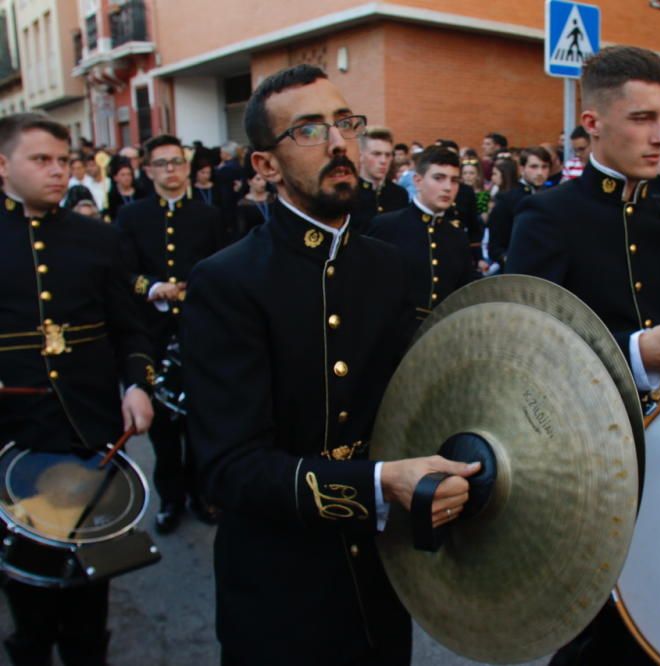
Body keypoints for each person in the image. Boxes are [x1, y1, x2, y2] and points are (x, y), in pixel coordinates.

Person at [182, 64, 479, 666]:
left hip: (381, 581)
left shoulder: (385, 265)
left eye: (345, 122)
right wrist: (374, 484)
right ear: (265, 165)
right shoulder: (226, 282)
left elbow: (415, 394)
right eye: (310, 130)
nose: (341, 142)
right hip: (279, 601)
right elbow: (229, 469)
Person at [506, 47, 660, 663]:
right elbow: (525, 354)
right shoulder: (546, 216)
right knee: (594, 635)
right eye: (642, 119)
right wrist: (636, 353)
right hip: (587, 464)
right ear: (594, 123)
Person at [0, 112, 156, 666]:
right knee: (29, 604)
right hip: (13, 444)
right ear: (2, 165)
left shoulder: (99, 238)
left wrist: (137, 384)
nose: (57, 171)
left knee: (91, 604)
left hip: (93, 437)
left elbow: (130, 327)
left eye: (62, 161)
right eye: (41, 160)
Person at [115, 134, 226, 534]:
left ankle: (201, 495)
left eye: (177, 162)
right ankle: (170, 500)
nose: (171, 170)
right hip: (153, 335)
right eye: (162, 164)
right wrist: (151, 287)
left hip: (199, 335)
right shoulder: (131, 217)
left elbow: (224, 267)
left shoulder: (209, 216)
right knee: (162, 432)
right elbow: (122, 273)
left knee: (200, 425)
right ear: (148, 171)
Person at [370, 146, 477, 316]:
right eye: (439, 178)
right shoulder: (387, 226)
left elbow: (463, 292)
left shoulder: (457, 237)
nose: (448, 187)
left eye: (454, 180)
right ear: (418, 181)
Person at [489, 146, 551, 268]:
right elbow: (496, 247)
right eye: (534, 167)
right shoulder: (507, 199)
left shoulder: (553, 196)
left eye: (544, 167)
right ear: (522, 168)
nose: (540, 172)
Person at [352, 127, 409, 235]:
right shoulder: (349, 193)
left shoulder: (399, 194)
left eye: (388, 155)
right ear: (361, 156)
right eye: (376, 154)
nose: (383, 161)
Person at [234, 169, 275, 238]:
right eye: (258, 179)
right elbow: (242, 230)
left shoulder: (273, 198)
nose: (263, 183)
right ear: (249, 182)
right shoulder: (244, 203)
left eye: (264, 179)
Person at [106, 155, 144, 222]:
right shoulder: (112, 196)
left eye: (129, 174)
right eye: (123, 175)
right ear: (115, 177)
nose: (127, 178)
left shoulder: (140, 193)